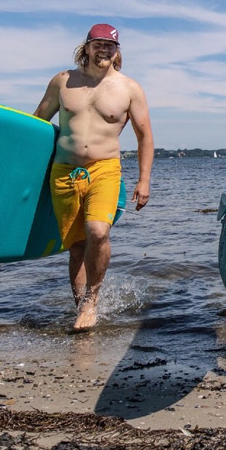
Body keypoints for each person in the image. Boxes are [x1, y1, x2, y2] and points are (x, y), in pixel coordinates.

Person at [33, 23, 153, 331]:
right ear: (86, 47)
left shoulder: (129, 88)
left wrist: (144, 180)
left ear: (117, 52)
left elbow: (144, 137)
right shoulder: (63, 82)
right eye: (98, 44)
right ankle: (82, 310)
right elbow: (37, 122)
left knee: (98, 232)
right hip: (63, 171)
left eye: (110, 46)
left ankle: (92, 301)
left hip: (105, 168)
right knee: (76, 246)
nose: (104, 50)